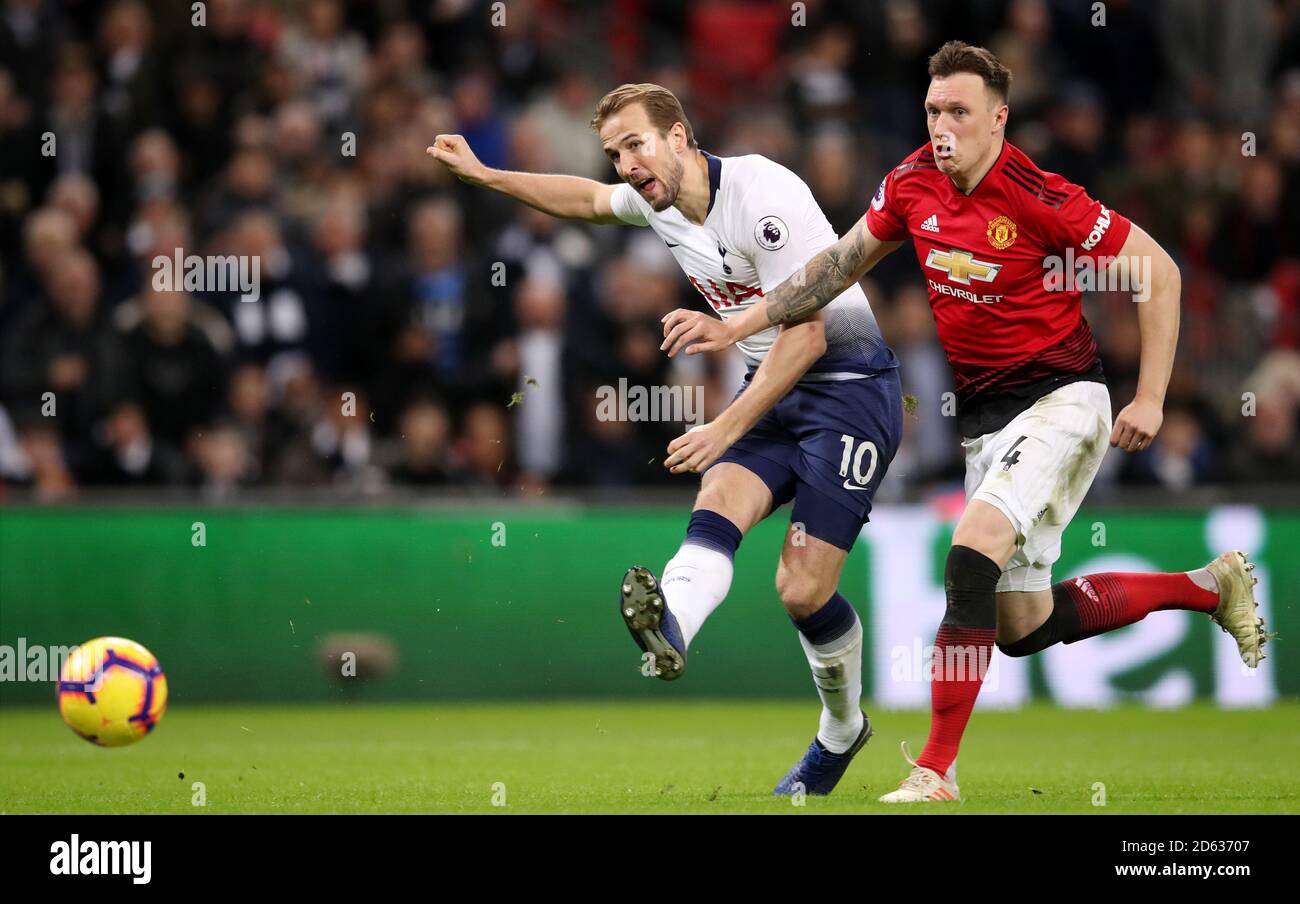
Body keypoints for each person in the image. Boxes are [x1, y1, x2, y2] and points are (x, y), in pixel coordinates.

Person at [659, 43, 1267, 803]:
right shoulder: (912, 182)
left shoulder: (1041, 196)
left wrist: (1151, 397)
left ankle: (936, 770)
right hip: (986, 421)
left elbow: (1160, 272)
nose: (942, 126)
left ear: (998, 120)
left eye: (958, 113)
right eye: (933, 111)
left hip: (1063, 399)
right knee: (1023, 625)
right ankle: (1209, 588)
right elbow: (836, 268)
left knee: (970, 551)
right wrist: (739, 321)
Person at [430, 82, 903, 795]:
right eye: (615, 152)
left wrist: (725, 424)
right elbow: (586, 200)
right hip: (770, 387)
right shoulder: (659, 203)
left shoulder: (762, 193)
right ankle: (671, 625)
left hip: (849, 391)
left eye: (635, 144)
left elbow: (806, 336)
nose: (624, 164)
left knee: (800, 590)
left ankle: (842, 729)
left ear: (678, 137)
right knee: (718, 501)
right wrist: (489, 176)